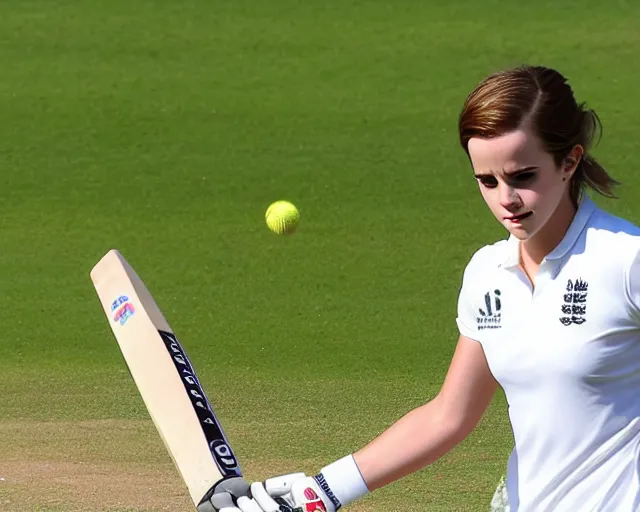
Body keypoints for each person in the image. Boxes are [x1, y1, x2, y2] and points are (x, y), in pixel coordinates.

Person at [205, 65, 640, 512]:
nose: (505, 199)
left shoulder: (625, 261)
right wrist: (317, 494)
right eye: (487, 181)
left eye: (523, 177)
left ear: (569, 161)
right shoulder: (488, 274)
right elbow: (448, 416)